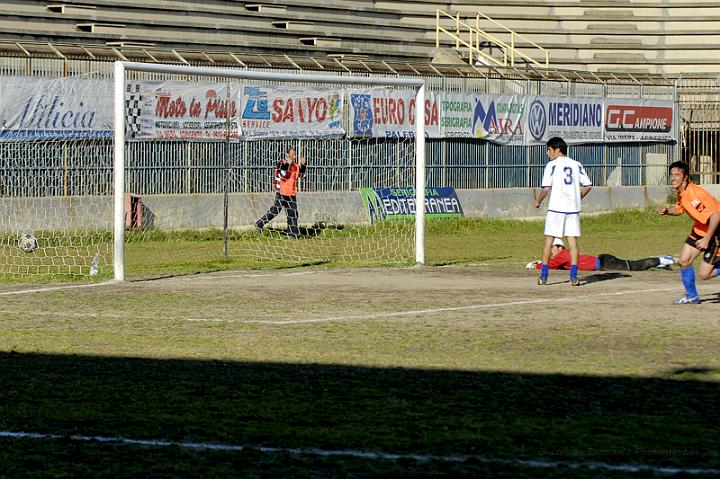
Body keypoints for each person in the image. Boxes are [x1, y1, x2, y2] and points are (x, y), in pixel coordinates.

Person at [658, 160, 720, 304]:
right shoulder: (682, 192)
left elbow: (716, 215)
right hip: (700, 229)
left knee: (704, 274)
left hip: (715, 231)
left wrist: (706, 239)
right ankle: (692, 296)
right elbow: (680, 208)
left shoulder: (694, 193)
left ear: (685, 177)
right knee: (684, 261)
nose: (673, 178)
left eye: (677, 175)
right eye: (671, 174)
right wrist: (668, 211)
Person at [534, 137, 593, 286]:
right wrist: (578, 197)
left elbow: (546, 188)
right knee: (572, 242)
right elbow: (588, 185)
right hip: (572, 209)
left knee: (549, 241)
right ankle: (573, 276)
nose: (548, 154)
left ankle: (544, 275)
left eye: (549, 150)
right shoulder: (576, 164)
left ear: (557, 150)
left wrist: (538, 201)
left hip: (556, 208)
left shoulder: (552, 165)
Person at [526, 237, 676, 272]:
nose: (550, 252)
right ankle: (662, 263)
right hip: (604, 261)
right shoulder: (565, 255)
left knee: (636, 266)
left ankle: (665, 259)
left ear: (558, 247)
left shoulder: (563, 254)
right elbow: (559, 266)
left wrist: (536, 265)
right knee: (634, 264)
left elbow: (551, 265)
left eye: (552, 248)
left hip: (606, 263)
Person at [256, 146, 308, 238]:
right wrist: (287, 164)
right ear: (287, 155)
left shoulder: (296, 166)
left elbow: (302, 176)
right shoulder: (281, 163)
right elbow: (281, 175)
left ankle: (293, 234)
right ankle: (259, 224)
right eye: (292, 154)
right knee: (275, 211)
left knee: (293, 213)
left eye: (295, 155)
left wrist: (303, 165)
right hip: (282, 193)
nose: (294, 156)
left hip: (291, 193)